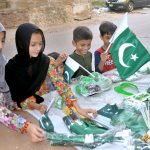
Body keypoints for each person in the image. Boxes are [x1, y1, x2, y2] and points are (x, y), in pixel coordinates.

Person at [5, 23, 97, 119]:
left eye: (40, 43)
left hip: (39, 108)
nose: (38, 48)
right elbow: (14, 100)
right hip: (18, 116)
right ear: (21, 43)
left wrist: (78, 109)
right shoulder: (11, 68)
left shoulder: (45, 61)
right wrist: (36, 106)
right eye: (33, 44)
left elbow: (61, 86)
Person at [0, 22, 45, 142]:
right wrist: (27, 126)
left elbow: (7, 91)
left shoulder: (1, 61)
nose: (0, 46)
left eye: (2, 40)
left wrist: (13, 104)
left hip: (8, 114)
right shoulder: (11, 65)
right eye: (33, 44)